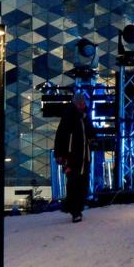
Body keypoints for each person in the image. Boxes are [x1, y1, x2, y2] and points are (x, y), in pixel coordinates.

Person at [55, 93, 94, 222]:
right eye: (81, 103)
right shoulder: (71, 116)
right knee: (74, 182)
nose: (83, 105)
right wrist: (61, 155)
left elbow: (89, 132)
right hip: (74, 156)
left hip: (82, 155)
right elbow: (61, 135)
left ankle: (77, 208)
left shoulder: (83, 116)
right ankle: (75, 209)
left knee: (81, 182)